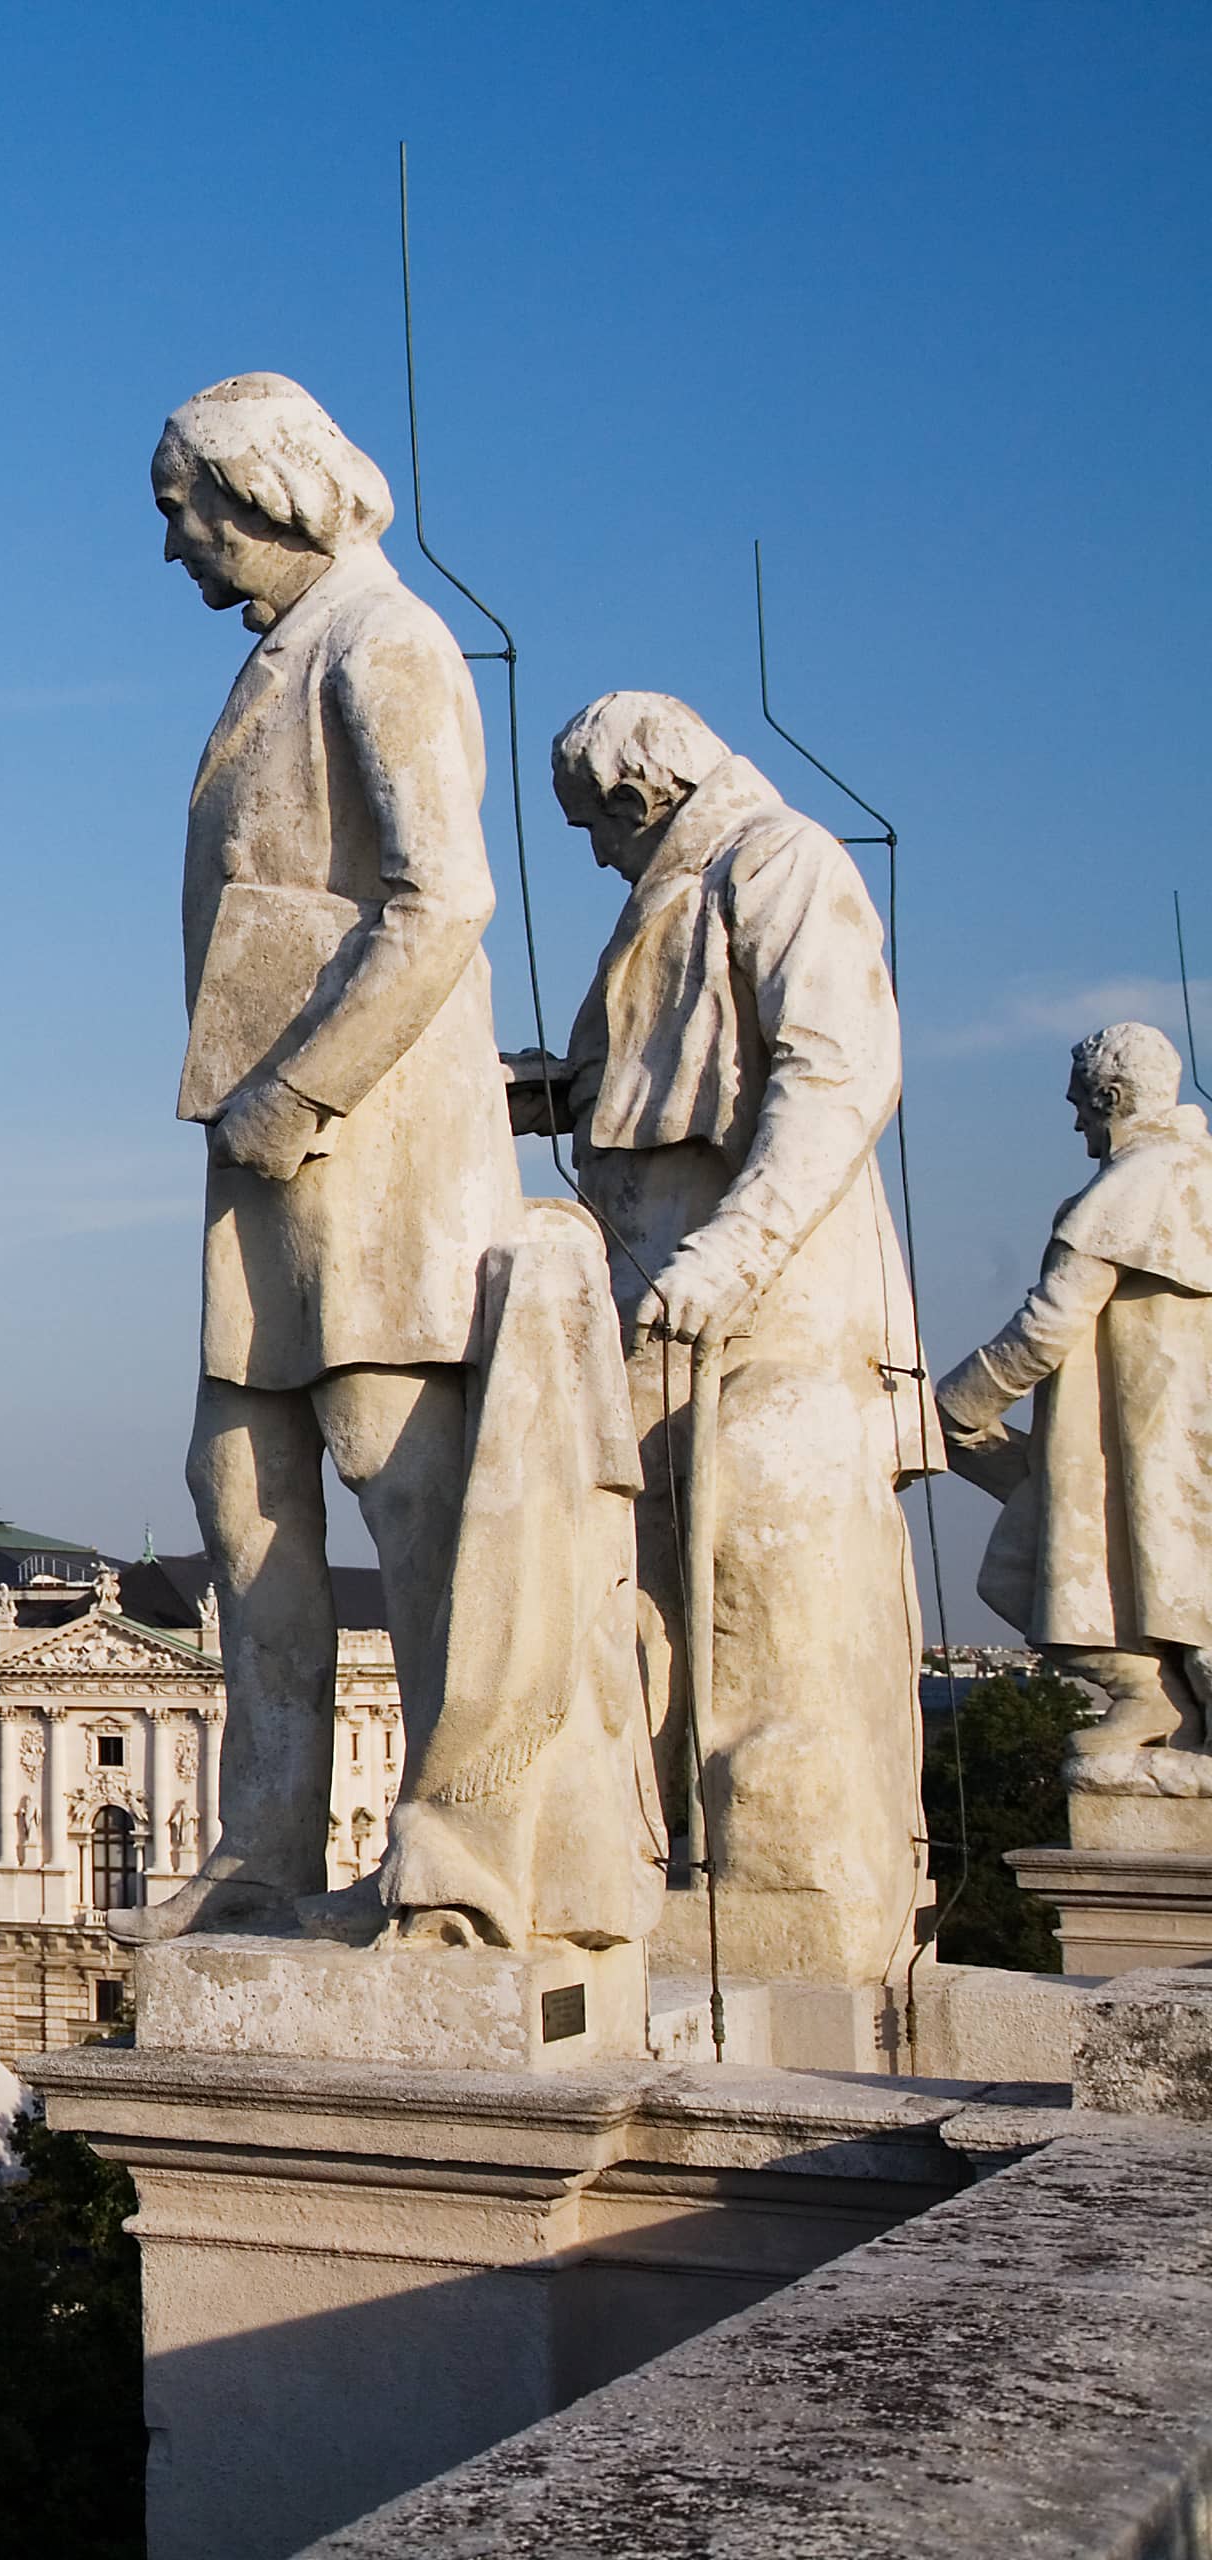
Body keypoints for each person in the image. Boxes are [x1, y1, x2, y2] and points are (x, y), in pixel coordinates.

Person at [117, 373, 519, 1946]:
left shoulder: (384, 640)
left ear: (262, 493)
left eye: (180, 512)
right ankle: (266, 1850)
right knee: (237, 1486)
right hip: (267, 1141)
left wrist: (299, 1093)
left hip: (355, 1143)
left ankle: (461, 1846)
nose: (174, 552)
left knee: (404, 1485)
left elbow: (446, 900)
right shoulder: (297, 652)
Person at [513, 690, 937, 1985]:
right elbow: (653, 1076)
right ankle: (679, 1854)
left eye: (592, 825)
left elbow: (840, 1071)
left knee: (766, 1592)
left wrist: (735, 1252)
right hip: (660, 1297)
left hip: (763, 1294)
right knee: (653, 1599)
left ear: (643, 796)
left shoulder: (780, 861)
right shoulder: (683, 887)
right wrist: (538, 1090)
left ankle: (789, 1881)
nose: (590, 852)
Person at [936, 1021, 1212, 1758]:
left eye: (1082, 1105)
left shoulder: (1134, 1184)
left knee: (1037, 1564)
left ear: (1112, 1097)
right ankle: (1157, 1697)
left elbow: (1048, 1326)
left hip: (1136, 1435)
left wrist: (953, 1406)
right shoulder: (1194, 1174)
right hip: (1164, 1434)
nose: (1077, 1121)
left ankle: (1145, 1691)